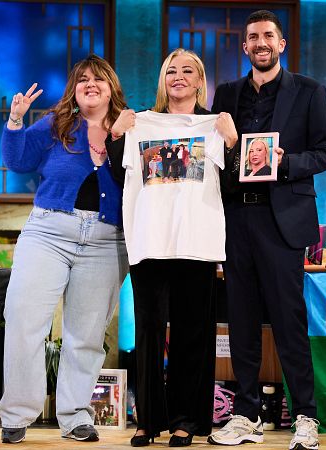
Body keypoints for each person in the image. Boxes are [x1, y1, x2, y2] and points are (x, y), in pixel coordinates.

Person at [208, 10, 326, 450]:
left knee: (288, 321)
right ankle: (246, 414)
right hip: (235, 218)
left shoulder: (310, 92)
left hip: (283, 220)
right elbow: (214, 159)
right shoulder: (226, 93)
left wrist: (284, 162)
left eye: (268, 36)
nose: (260, 43)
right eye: (252, 37)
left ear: (281, 44)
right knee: (240, 320)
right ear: (244, 47)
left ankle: (305, 415)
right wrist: (225, 144)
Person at [106, 48, 238, 448]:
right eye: (171, 71)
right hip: (149, 242)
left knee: (191, 336)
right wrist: (116, 133)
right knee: (146, 332)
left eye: (187, 71)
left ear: (200, 80)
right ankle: (148, 420)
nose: (178, 76)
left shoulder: (213, 125)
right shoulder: (138, 124)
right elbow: (117, 171)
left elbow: (232, 183)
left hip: (195, 245)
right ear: (163, 80)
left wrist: (231, 142)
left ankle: (188, 420)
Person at [0, 54, 129, 445]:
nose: (91, 84)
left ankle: (75, 417)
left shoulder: (130, 127)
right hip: (49, 232)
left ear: (112, 88)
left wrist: (123, 134)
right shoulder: (58, 124)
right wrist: (16, 119)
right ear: (74, 89)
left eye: (99, 79)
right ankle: (18, 413)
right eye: (83, 79)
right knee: (23, 318)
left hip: (107, 239)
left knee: (85, 334)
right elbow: (18, 161)